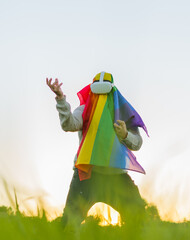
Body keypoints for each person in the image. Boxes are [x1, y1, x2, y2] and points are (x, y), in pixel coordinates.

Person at [46, 72, 148, 228]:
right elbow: (69, 125)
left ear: (113, 91)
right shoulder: (84, 109)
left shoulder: (123, 112)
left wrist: (125, 134)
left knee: (139, 218)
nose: (100, 97)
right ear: (92, 90)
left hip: (116, 176)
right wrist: (61, 99)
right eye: (97, 92)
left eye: (104, 92)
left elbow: (137, 143)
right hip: (87, 174)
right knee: (68, 225)